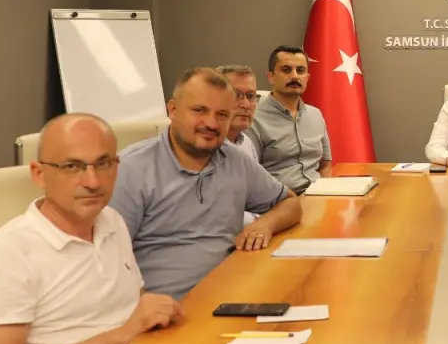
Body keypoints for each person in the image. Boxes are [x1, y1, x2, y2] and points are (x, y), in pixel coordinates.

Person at [0, 114, 182, 344]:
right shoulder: (3, 253)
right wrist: (120, 337)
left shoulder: (111, 222)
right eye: (72, 166)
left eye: (103, 163)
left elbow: (133, 311)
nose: (93, 181)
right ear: (39, 174)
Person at [111, 68, 303, 300]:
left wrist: (265, 225)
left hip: (234, 294)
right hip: (167, 307)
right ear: (172, 110)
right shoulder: (130, 169)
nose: (211, 123)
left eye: (222, 114)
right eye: (199, 110)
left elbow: (290, 203)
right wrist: (142, 310)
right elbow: (106, 260)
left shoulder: (234, 159)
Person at [247, 46, 332, 194]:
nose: (294, 76)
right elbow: (251, 175)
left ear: (307, 78)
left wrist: (324, 194)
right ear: (270, 77)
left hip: (317, 195)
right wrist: (293, 202)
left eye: (300, 70)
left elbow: (325, 165)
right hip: (278, 200)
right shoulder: (254, 118)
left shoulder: (315, 114)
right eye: (286, 70)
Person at [217, 64, 259, 161]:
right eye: (236, 95)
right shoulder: (202, 146)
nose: (246, 105)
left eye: (250, 96)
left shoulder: (246, 144)